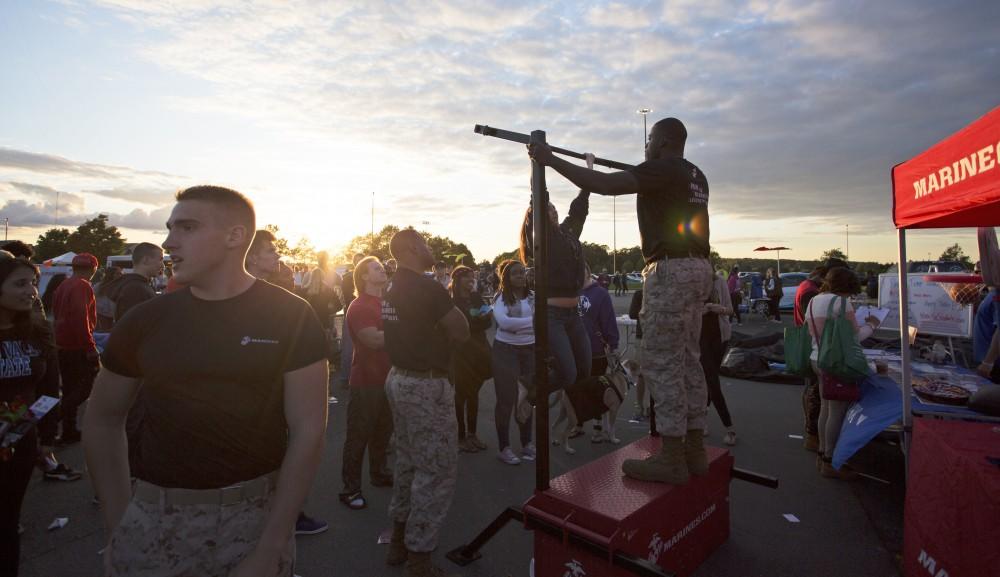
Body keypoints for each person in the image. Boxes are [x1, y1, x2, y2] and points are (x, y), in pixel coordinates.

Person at [83, 186, 329, 576]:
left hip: (252, 521)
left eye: (187, 228)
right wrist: (118, 525)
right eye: (170, 228)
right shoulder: (146, 320)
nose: (168, 242)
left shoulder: (290, 316)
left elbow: (309, 430)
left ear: (235, 236)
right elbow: (102, 418)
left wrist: (274, 542)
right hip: (152, 518)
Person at [528, 116, 713, 485]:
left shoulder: (663, 169)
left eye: (648, 139)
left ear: (661, 141)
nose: (645, 146)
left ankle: (673, 456)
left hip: (671, 272)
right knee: (689, 360)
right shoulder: (695, 174)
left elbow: (606, 184)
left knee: (662, 364)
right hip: (698, 269)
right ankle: (694, 448)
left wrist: (552, 160)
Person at [381, 228, 469, 576]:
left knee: (408, 461)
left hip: (399, 378)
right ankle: (419, 557)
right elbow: (461, 329)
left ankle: (399, 540)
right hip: (425, 386)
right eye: (426, 243)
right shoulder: (426, 286)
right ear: (413, 248)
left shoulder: (392, 285)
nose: (431, 247)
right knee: (436, 469)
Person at [245, 229, 329, 536]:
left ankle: (288, 518)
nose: (277, 256)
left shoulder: (277, 297)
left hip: (275, 402)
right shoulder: (245, 299)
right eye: (270, 251)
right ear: (251, 256)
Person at [0, 257, 60, 577]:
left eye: (32, 283)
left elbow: (50, 389)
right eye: (20, 284)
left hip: (21, 445)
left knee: (8, 524)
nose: (31, 291)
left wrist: (46, 438)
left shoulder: (37, 331)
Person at [805, 267, 879, 481]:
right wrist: (872, 325)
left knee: (825, 408)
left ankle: (822, 454)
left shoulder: (814, 300)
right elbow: (854, 337)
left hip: (816, 357)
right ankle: (830, 460)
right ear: (847, 287)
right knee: (836, 412)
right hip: (835, 362)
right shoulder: (841, 303)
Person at [520, 187, 591, 403]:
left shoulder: (567, 233)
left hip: (573, 315)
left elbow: (578, 212)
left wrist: (585, 183)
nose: (553, 211)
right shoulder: (543, 239)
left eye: (554, 209)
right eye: (548, 209)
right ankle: (530, 389)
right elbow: (539, 206)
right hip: (551, 316)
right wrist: (538, 182)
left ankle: (532, 386)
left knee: (584, 369)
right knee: (568, 374)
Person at [339, 256, 394, 511]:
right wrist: (406, 331)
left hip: (389, 380)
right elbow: (372, 339)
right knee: (358, 436)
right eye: (375, 267)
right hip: (365, 382)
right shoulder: (360, 305)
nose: (381, 268)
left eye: (381, 266)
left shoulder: (387, 303)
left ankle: (379, 473)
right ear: (363, 276)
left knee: (383, 432)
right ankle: (350, 490)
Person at [51, 252, 100, 446]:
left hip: (62, 344)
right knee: (85, 387)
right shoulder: (83, 285)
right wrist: (90, 347)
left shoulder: (64, 284)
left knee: (70, 387)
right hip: (77, 346)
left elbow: (56, 313)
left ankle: (69, 431)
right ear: (94, 268)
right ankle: (54, 420)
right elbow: (82, 318)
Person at [491, 260, 535, 465]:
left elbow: (542, 321)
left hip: (529, 350)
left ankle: (527, 443)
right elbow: (504, 323)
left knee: (526, 397)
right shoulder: (501, 298)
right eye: (514, 273)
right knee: (506, 399)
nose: (519, 276)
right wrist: (532, 323)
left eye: (522, 272)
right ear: (506, 278)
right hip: (505, 351)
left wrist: (519, 326)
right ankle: (504, 447)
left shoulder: (533, 297)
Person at [449, 265, 492, 454]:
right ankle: (460, 437)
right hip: (461, 353)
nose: (472, 280)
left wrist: (476, 321)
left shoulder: (476, 297)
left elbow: (488, 320)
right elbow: (460, 327)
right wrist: (477, 320)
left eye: (473, 277)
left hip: (480, 350)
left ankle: (472, 434)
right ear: (458, 280)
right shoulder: (452, 302)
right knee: (460, 395)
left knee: (473, 393)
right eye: (467, 277)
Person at [579, 262, 619, 441]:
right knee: (576, 388)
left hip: (596, 350)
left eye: (580, 269)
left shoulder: (600, 294)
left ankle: (597, 427)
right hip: (574, 350)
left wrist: (614, 344)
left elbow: (608, 320)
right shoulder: (568, 293)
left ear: (588, 271)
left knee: (596, 388)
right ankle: (577, 424)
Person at [702, 271, 736, 446]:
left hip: (719, 337)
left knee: (710, 380)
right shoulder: (691, 283)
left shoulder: (720, 282)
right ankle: (729, 427)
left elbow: (730, 309)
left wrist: (719, 309)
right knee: (711, 380)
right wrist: (703, 309)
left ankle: (703, 421)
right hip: (699, 339)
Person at [108, 242, 164, 324]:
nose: (162, 265)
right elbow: (132, 327)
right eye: (160, 259)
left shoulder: (137, 285)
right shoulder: (135, 289)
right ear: (146, 260)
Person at [94, 267, 123, 332]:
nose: (121, 275)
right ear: (111, 274)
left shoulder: (121, 286)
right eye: (118, 273)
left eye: (121, 273)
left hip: (115, 317)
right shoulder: (99, 286)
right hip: (101, 315)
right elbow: (91, 299)